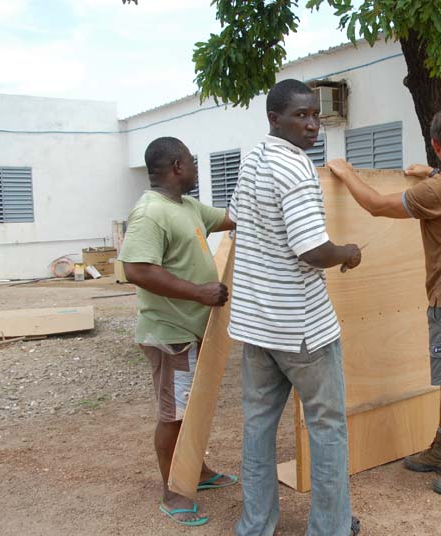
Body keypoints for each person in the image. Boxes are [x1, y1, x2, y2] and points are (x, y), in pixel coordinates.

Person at [328, 107, 441, 499]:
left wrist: (345, 173)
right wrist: (434, 175)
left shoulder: (437, 191)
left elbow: (375, 204)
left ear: (436, 145)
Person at [228, 79, 362, 536]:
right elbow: (311, 250)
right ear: (274, 118)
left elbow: (239, 221)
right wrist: (347, 251)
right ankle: (330, 529)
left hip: (256, 325)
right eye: (301, 116)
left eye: (316, 116)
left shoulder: (251, 162)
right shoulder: (296, 168)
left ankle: (255, 526)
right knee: (328, 429)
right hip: (303, 329)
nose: (312, 126)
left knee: (258, 429)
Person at [119, 136, 237, 527]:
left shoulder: (186, 206)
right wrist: (199, 292)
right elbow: (137, 269)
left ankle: (196, 471)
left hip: (192, 329)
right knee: (174, 414)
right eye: (191, 160)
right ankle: (173, 490)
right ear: (176, 166)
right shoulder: (151, 213)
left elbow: (228, 218)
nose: (197, 167)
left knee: (193, 406)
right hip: (170, 333)